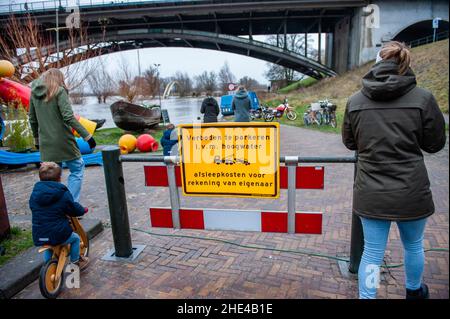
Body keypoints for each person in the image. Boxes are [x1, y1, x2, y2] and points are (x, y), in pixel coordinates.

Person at [342, 41, 446, 299]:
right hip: (412, 190)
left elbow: (350, 142)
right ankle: (414, 292)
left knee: (372, 252)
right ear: (405, 64)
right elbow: (434, 144)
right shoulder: (423, 98)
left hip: (371, 191)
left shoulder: (355, 101)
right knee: (413, 246)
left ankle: (368, 296)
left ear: (376, 64)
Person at [29, 68, 96, 203]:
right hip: (63, 141)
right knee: (77, 168)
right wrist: (88, 137)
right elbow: (69, 117)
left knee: (51, 176)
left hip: (46, 143)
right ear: (58, 78)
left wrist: (37, 141)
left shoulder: (34, 94)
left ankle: (55, 207)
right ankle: (70, 204)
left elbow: (32, 119)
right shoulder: (59, 91)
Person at [30, 162, 89, 268]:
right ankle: (75, 262)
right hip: (58, 233)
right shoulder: (62, 193)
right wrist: (82, 210)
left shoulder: (35, 193)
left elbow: (33, 207)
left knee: (49, 246)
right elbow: (72, 208)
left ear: (40, 178)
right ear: (59, 178)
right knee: (75, 239)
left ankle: (48, 266)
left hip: (39, 234)